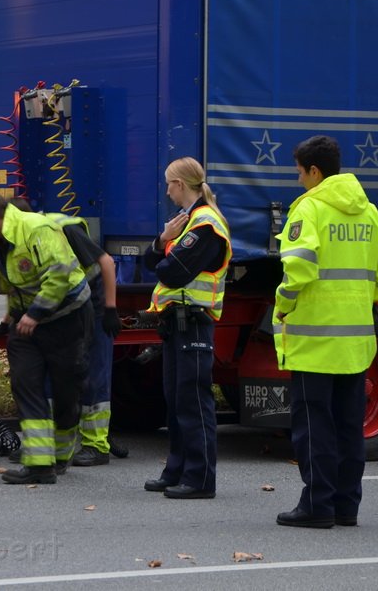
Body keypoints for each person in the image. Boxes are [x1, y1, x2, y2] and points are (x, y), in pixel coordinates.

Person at [273, 135, 378, 528]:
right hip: (355, 341)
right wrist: (365, 295)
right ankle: (346, 506)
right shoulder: (367, 212)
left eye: (300, 172)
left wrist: (283, 303)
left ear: (315, 171)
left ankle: (317, 506)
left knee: (314, 427)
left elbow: (298, 265)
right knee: (350, 427)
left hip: (315, 340)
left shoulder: (309, 208)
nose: (298, 180)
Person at [0, 189, 91, 484]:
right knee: (25, 383)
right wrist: (9, 319)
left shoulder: (36, 228)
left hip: (66, 317)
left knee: (66, 391)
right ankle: (39, 466)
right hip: (27, 323)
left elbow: (59, 275)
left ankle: (60, 456)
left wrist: (34, 314)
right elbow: (16, 286)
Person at [0, 199, 124, 466]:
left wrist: (111, 308)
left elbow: (107, 262)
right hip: (59, 308)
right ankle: (47, 449)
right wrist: (7, 319)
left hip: (93, 307)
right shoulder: (23, 239)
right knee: (53, 379)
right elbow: (25, 286)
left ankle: (96, 446)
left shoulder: (58, 229)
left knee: (92, 374)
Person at [142, 157, 231, 499]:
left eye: (169, 184)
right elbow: (154, 261)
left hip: (194, 322)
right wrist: (164, 240)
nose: (167, 190)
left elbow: (170, 271)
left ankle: (200, 479)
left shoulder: (205, 225)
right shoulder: (187, 223)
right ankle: (176, 469)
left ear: (181, 184)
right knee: (176, 400)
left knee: (194, 401)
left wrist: (165, 245)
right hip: (176, 323)